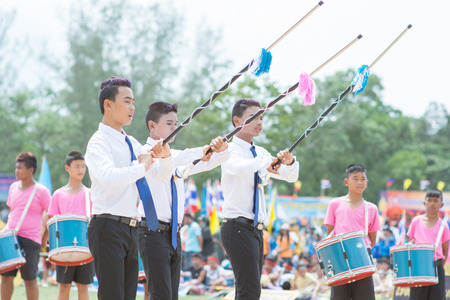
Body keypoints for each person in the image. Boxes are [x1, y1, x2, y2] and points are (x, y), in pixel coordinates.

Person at [85, 76, 172, 300]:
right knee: (112, 295)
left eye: (133, 102)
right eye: (126, 101)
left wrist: (165, 156)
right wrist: (140, 166)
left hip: (131, 228)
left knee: (128, 295)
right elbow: (107, 177)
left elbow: (160, 176)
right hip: (107, 226)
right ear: (108, 104)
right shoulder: (98, 142)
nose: (132, 107)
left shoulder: (132, 143)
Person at [138, 101, 228, 300]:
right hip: (151, 232)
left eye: (176, 123)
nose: (175, 127)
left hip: (173, 234)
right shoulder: (143, 153)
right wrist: (200, 151)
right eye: (169, 123)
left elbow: (211, 161)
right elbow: (173, 161)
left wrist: (220, 149)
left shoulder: (174, 156)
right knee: (160, 294)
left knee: (171, 295)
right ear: (152, 125)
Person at [220, 98, 300, 299]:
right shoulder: (229, 149)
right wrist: (265, 163)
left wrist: (290, 162)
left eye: (261, 117)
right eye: (253, 117)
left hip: (255, 230)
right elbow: (239, 167)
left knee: (249, 289)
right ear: (237, 121)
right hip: (237, 226)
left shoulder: (260, 152)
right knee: (249, 290)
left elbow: (291, 177)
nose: (259, 122)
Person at [324, 163, 381, 300]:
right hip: (340, 263)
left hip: (363, 262)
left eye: (362, 179)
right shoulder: (335, 204)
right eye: (355, 178)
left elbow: (371, 240)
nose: (359, 182)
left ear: (367, 183)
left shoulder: (371, 208)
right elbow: (330, 235)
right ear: (346, 182)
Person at [1, 152, 51, 300]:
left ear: (30, 170)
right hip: (10, 239)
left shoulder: (42, 191)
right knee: (6, 278)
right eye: (16, 167)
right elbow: (12, 211)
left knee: (30, 280)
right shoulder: (13, 187)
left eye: (20, 168)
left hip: (31, 240)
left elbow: (51, 214)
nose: (16, 171)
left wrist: (44, 238)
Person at [47, 151, 95, 300]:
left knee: (83, 288)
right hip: (65, 249)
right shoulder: (58, 194)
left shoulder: (90, 194)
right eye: (77, 166)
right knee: (64, 288)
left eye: (83, 166)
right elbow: (53, 223)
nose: (81, 170)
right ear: (67, 168)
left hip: (86, 247)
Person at [407, 188, 450, 300]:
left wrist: (438, 264)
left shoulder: (444, 226)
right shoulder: (416, 221)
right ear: (424, 203)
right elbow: (411, 242)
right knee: (417, 297)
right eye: (429, 200)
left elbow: (445, 250)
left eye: (436, 201)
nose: (432, 203)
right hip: (418, 267)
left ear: (441, 204)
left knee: (437, 297)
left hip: (437, 267)